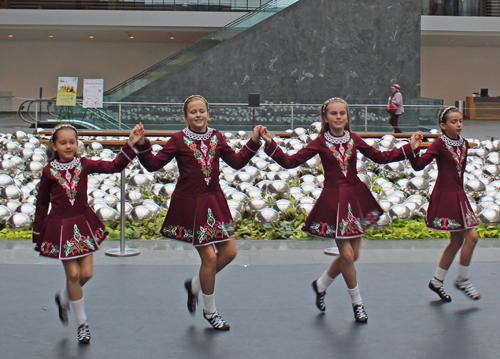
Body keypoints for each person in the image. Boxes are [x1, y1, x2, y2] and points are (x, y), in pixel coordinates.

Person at [260, 98, 421, 323]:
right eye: (333, 114)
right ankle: (358, 304)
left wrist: (408, 148)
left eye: (342, 114)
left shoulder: (354, 139)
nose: (338, 118)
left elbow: (380, 157)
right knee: (346, 255)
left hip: (355, 198)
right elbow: (290, 161)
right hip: (334, 201)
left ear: (347, 117)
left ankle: (320, 285)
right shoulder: (319, 142)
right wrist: (270, 144)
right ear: (325, 118)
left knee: (353, 256)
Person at [134, 95, 262, 330]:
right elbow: (153, 165)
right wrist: (142, 144)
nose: (198, 115)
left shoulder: (217, 137)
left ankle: (195, 285)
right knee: (210, 257)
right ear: (185, 117)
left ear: (208, 113)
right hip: (192, 205)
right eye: (193, 112)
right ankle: (210, 310)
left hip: (214, 202)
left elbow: (235, 162)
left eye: (201, 111)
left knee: (230, 252)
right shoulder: (178, 139)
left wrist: (253, 141)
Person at [32, 123, 144, 344]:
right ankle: (83, 324)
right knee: (73, 275)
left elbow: (114, 166)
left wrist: (131, 144)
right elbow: (41, 203)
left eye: (72, 142)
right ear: (54, 146)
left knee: (87, 274)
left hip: (83, 226)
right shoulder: (48, 172)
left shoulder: (84, 164)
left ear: (77, 144)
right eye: (63, 143)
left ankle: (64, 298)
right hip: (61, 228)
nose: (68, 146)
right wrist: (39, 232)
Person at [408, 106, 481, 302]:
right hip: (446, 195)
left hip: (459, 195)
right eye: (453, 122)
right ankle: (463, 279)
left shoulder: (464, 144)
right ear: (442, 125)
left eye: (460, 121)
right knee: (472, 237)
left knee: (457, 241)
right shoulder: (439, 144)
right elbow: (419, 165)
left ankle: (437, 281)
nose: (458, 125)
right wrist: (414, 149)